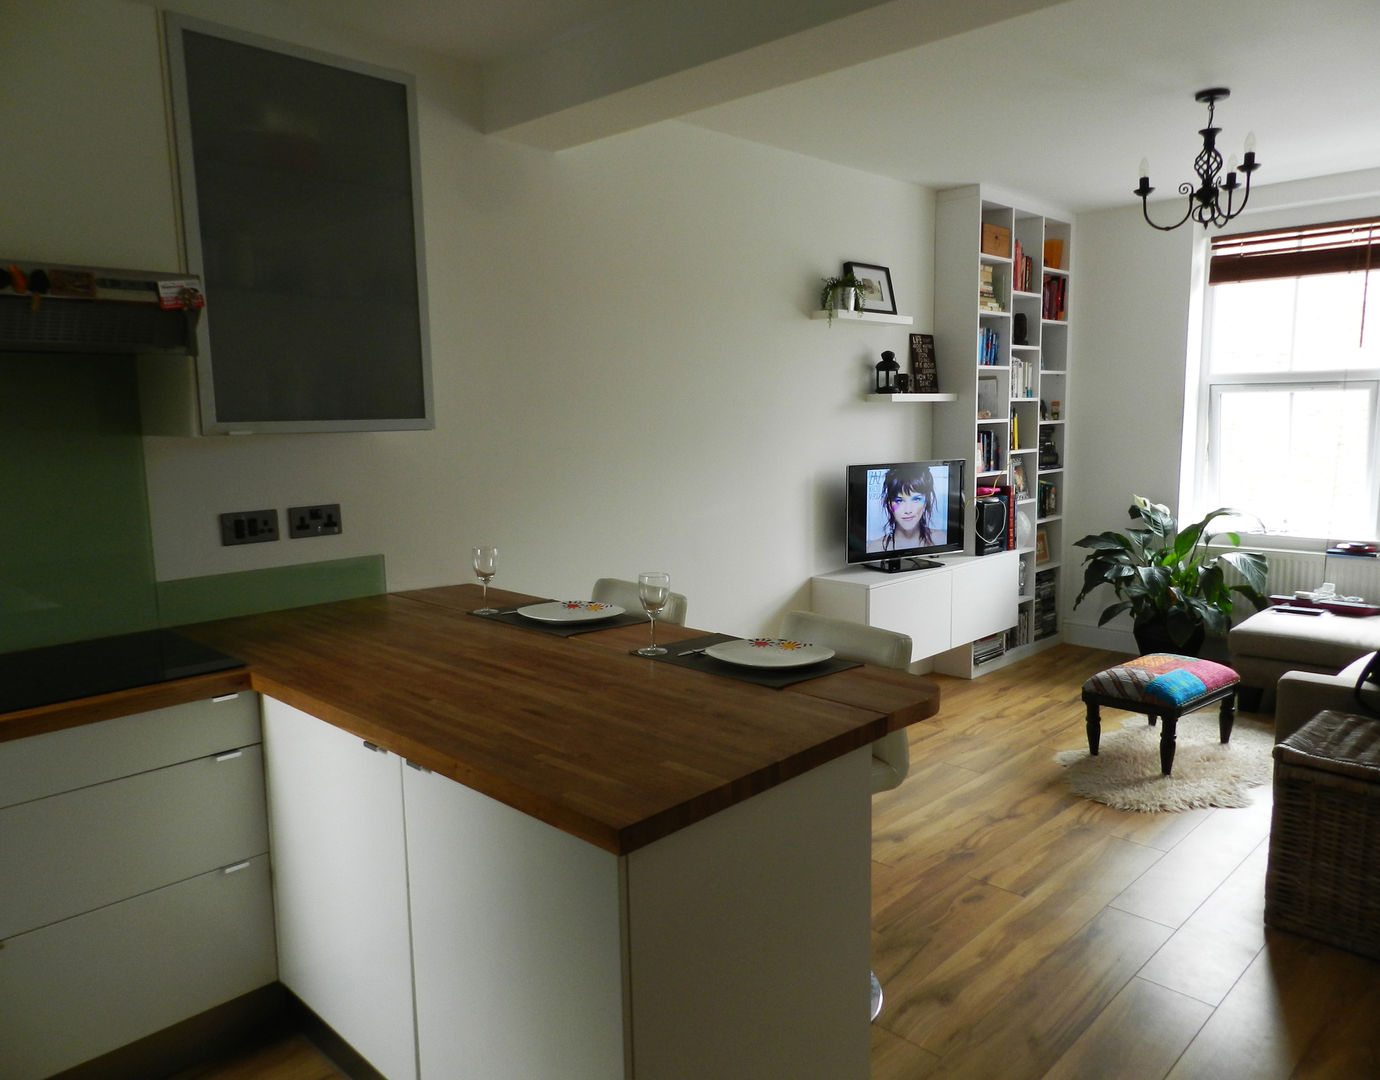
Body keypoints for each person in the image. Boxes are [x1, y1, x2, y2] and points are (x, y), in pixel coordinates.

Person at [868, 464, 939, 552]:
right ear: (889, 504)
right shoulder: (875, 548)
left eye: (916, 499)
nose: (908, 510)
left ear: (926, 502)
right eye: (899, 501)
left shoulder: (941, 539)